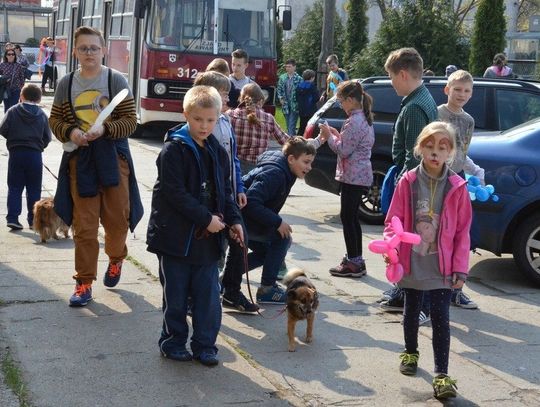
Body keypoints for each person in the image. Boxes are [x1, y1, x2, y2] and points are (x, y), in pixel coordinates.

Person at [146, 85, 243, 365]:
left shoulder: (217, 151)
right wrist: (206, 219)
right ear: (186, 114)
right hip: (175, 240)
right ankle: (173, 341)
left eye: (210, 120)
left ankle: (205, 344)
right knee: (175, 297)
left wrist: (234, 220)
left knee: (208, 298)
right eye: (198, 119)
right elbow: (174, 194)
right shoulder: (173, 150)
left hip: (208, 243)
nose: (204, 125)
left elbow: (224, 190)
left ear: (219, 116)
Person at [49, 26, 143, 307]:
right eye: (83, 48)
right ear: (75, 51)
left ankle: (116, 259)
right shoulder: (66, 84)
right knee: (84, 226)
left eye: (94, 48)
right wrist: (70, 132)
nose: (89, 52)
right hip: (81, 161)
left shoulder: (116, 81)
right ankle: (83, 282)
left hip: (114, 159)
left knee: (116, 223)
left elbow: (131, 120)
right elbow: (55, 120)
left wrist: (106, 130)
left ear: (103, 50)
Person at [386, 121, 471, 399]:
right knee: (411, 311)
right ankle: (410, 353)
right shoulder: (407, 181)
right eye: (429, 146)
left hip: (441, 265)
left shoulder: (458, 187)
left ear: (451, 153)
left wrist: (461, 267)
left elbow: (462, 231)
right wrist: (392, 250)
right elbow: (393, 221)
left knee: (441, 318)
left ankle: (441, 375)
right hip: (412, 262)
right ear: (420, 148)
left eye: (442, 148)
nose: (435, 152)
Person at [221, 137, 321, 307]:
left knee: (268, 253)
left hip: (244, 217)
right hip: (239, 217)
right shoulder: (276, 174)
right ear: (291, 159)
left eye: (311, 163)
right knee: (283, 238)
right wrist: (277, 222)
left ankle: (226, 279)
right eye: (306, 162)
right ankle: (267, 289)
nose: (309, 167)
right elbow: (251, 201)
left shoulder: (284, 165)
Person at [380, 47, 438, 312]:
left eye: (392, 77)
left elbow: (414, 158)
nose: (391, 84)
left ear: (403, 74)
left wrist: (402, 190)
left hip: (414, 188)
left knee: (407, 242)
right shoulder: (422, 97)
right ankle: (404, 290)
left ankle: (413, 297)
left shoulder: (415, 107)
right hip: (422, 186)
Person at [319, 80, 374, 278]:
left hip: (354, 176)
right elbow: (348, 143)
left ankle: (354, 261)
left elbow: (343, 150)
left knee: (348, 218)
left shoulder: (354, 121)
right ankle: (356, 258)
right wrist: (335, 134)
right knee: (351, 218)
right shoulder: (362, 118)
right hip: (359, 174)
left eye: (341, 101)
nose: (341, 105)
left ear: (351, 100)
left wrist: (328, 136)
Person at [437, 69, 483, 309]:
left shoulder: (468, 121)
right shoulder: (437, 114)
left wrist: (475, 171)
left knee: (463, 235)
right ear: (447, 90)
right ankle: (429, 288)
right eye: (457, 89)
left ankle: (456, 289)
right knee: (435, 235)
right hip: (436, 180)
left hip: (458, 181)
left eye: (466, 90)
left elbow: (462, 152)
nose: (461, 94)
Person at [1, 84, 51, 230]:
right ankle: (32, 220)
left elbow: (3, 129)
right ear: (39, 98)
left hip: (16, 153)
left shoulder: (13, 111)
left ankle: (13, 218)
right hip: (35, 155)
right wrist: (39, 146)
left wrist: (13, 139)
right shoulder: (42, 115)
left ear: (21, 96)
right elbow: (47, 136)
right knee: (34, 188)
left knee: (15, 187)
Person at [227, 82, 290, 174]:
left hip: (234, 167)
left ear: (241, 99)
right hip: (257, 169)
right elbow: (285, 141)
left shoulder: (230, 116)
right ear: (260, 101)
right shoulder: (268, 118)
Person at [277, 59, 302, 135]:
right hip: (285, 104)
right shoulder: (282, 77)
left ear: (294, 67)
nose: (287, 68)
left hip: (295, 105)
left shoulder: (299, 79)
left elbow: (301, 92)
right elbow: (279, 89)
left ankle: (290, 143)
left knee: (291, 125)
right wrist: (280, 98)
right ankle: (294, 141)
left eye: (290, 67)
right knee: (289, 125)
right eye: (286, 67)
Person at [296, 69, 319, 136]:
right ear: (312, 77)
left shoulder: (299, 86)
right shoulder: (312, 87)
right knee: (310, 126)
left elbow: (297, 97)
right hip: (310, 110)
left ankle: (298, 140)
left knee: (302, 126)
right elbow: (316, 98)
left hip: (301, 110)